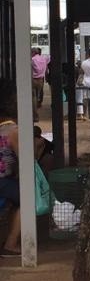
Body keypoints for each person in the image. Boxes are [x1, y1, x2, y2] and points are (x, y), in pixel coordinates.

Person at [0, 103, 20, 257]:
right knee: (27, 199)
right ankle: (10, 243)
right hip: (3, 180)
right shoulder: (13, 130)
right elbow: (25, 157)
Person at [30, 48, 48, 123]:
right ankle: (38, 105)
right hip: (41, 80)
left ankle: (35, 116)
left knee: (33, 98)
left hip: (33, 79)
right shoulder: (44, 59)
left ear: (33, 52)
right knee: (37, 97)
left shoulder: (32, 60)